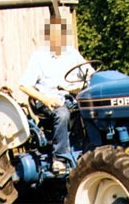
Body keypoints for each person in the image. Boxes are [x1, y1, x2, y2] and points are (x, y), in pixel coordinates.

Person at [19, 17, 93, 174]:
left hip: (71, 97)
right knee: (62, 113)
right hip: (47, 100)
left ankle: (89, 150)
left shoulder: (72, 53)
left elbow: (89, 72)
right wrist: (46, 100)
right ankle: (59, 158)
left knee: (92, 111)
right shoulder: (39, 57)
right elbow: (24, 86)